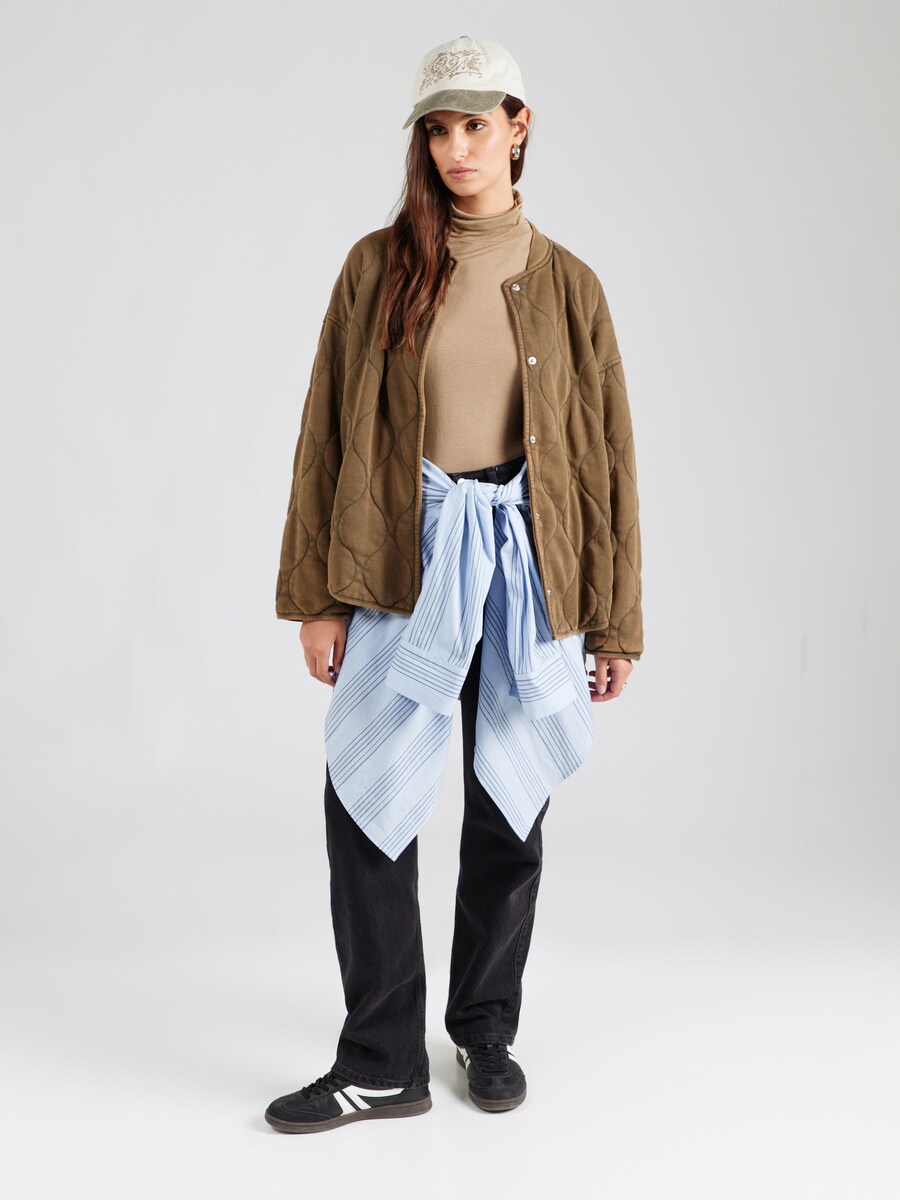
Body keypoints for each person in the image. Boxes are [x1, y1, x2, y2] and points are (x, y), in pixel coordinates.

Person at [265, 33, 644, 1135]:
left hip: (527, 566)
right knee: (366, 801)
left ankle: (484, 1028)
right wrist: (317, 599)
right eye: (438, 129)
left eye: (476, 124)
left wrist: (614, 622)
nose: (455, 148)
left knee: (507, 805)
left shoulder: (571, 287)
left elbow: (610, 461)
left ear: (518, 127)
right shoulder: (377, 269)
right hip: (404, 559)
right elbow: (325, 435)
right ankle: (383, 1057)